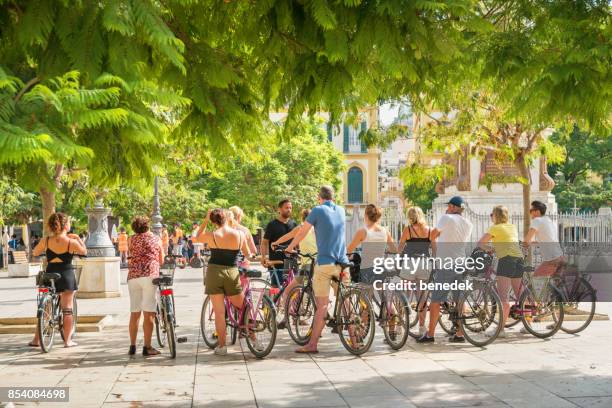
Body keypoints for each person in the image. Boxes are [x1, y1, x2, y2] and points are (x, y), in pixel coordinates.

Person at [285, 186, 350, 353]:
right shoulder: (341, 210)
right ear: (333, 197)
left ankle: (312, 345)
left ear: (319, 197)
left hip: (325, 262)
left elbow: (301, 233)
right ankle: (356, 342)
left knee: (321, 305)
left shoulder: (317, 210)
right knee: (346, 301)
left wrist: (290, 247)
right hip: (343, 262)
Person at [194, 209, 253, 356]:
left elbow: (196, 238)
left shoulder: (212, 235)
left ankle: (222, 346)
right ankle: (254, 338)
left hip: (214, 272)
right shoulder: (240, 234)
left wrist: (205, 220)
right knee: (244, 307)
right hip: (232, 272)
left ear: (214, 221)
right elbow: (247, 254)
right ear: (226, 218)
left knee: (220, 313)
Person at [417, 196, 473, 344]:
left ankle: (430, 334)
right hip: (461, 263)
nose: (447, 208)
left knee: (435, 301)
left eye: (449, 206)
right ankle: (460, 333)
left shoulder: (446, 218)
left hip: (446, 264)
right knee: (459, 299)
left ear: (454, 208)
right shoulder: (468, 223)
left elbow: (433, 235)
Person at [30, 213, 87, 348]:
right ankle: (67, 341)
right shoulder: (71, 242)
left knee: (46, 309)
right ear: (65, 225)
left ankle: (37, 340)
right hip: (66, 275)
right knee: (67, 309)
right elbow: (84, 252)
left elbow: (35, 253)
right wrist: (78, 238)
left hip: (50, 274)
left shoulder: (46, 240)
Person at [477, 205, 523, 338]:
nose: (491, 217)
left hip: (506, 260)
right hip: (519, 259)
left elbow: (480, 243)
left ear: (496, 215)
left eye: (492, 214)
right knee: (520, 294)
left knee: (503, 298)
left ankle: (500, 330)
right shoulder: (512, 226)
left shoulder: (495, 228)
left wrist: (489, 249)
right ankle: (528, 325)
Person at [271, 209, 318, 329]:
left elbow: (288, 236)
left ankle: (286, 320)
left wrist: (275, 243)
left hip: (307, 265)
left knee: (287, 291)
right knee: (316, 293)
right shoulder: (318, 229)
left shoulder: (302, 227)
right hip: (319, 264)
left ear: (303, 218)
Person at [127, 216, 164, 357]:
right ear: (148, 226)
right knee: (149, 312)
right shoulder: (155, 239)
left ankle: (132, 346)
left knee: (134, 312)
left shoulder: (132, 239)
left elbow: (131, 253)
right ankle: (147, 347)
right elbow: (161, 259)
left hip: (133, 276)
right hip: (149, 275)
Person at [398, 206, 436, 336]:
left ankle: (399, 325)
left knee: (404, 295)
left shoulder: (407, 230)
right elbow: (435, 250)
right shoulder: (430, 230)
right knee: (422, 297)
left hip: (410, 263)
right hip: (425, 264)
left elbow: (400, 248)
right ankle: (421, 327)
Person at [347, 204, 397, 283]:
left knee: (363, 293)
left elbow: (349, 249)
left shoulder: (363, 231)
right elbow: (394, 250)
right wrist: (384, 249)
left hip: (367, 269)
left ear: (366, 215)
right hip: (381, 268)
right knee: (379, 293)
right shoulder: (385, 231)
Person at [261, 200, 297, 287]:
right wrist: (263, 257)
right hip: (276, 262)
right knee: (277, 289)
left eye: (290, 208)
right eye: (286, 208)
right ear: (279, 209)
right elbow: (264, 242)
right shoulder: (272, 225)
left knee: (293, 290)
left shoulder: (294, 224)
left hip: (291, 261)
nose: (289, 210)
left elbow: (297, 241)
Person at [523, 200, 564, 276]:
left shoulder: (537, 220)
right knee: (550, 284)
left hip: (552, 260)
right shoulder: (547, 220)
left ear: (537, 211)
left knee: (535, 281)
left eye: (531, 210)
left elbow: (526, 240)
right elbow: (547, 239)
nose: (530, 213)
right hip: (559, 256)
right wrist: (531, 243)